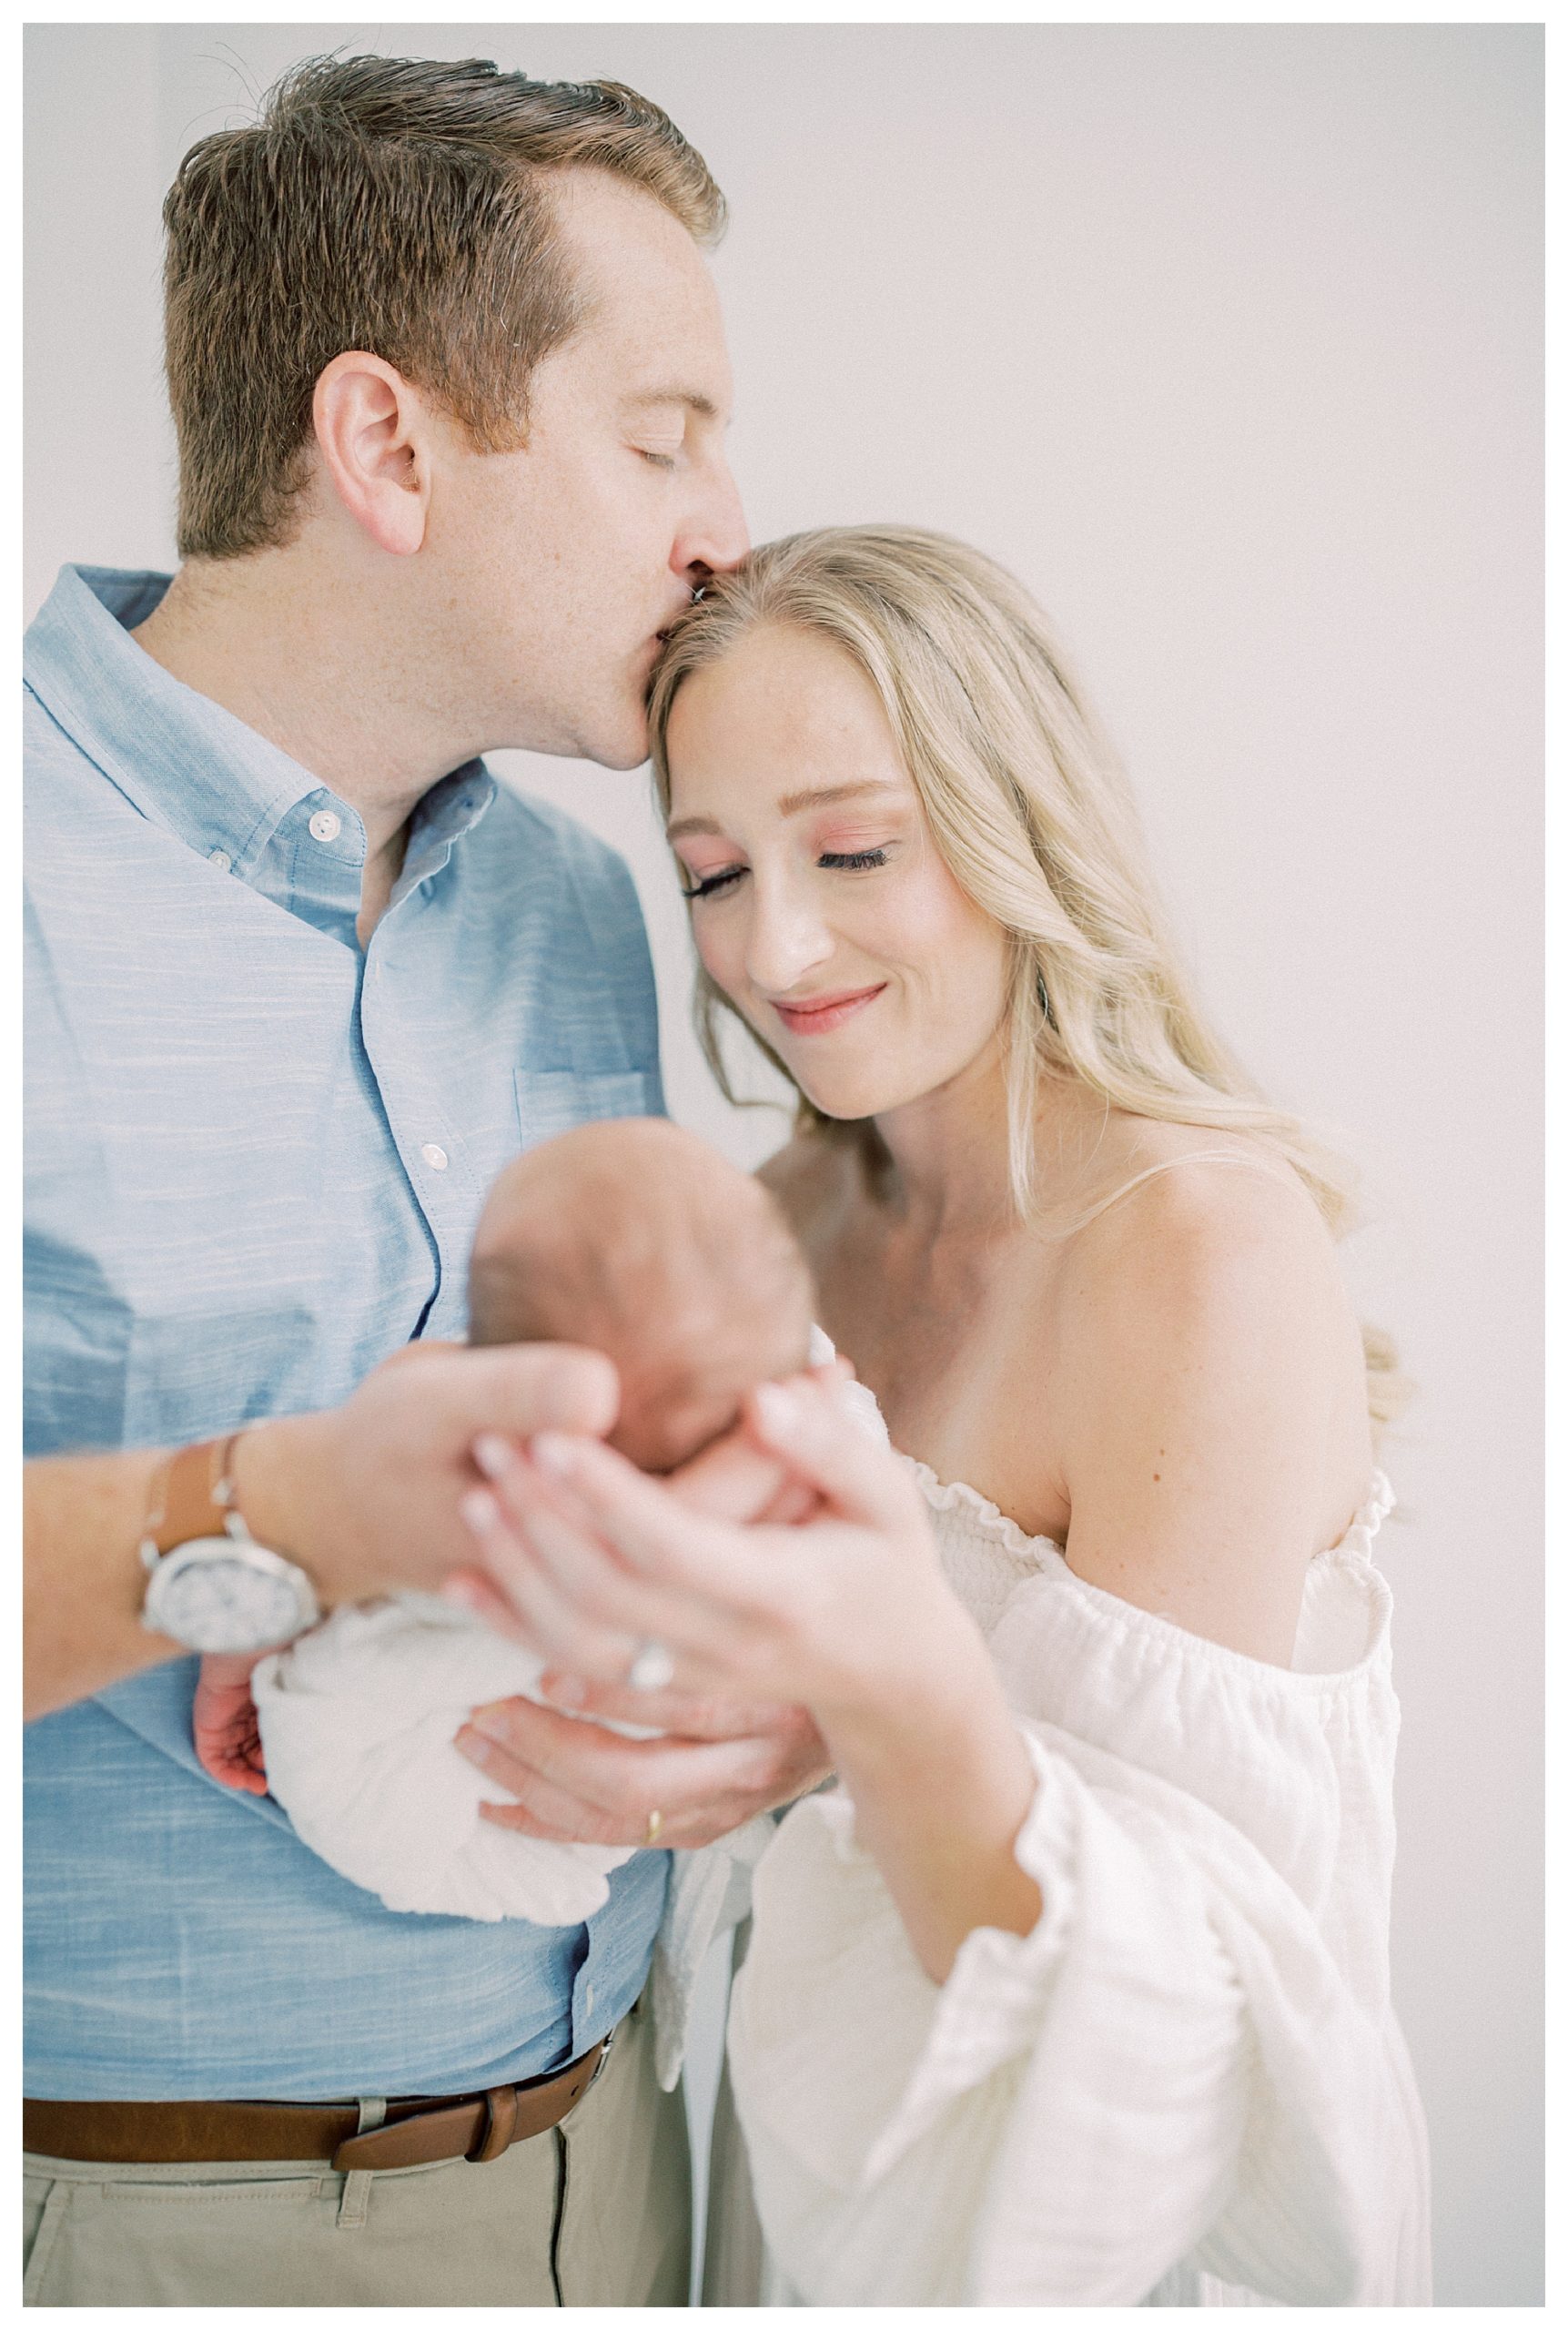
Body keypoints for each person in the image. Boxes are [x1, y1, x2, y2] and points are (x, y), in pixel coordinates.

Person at [22, 53, 827, 2310]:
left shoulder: (591, 906)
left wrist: (755, 1703)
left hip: (617, 2167)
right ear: (384, 444)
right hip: (126, 2227)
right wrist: (272, 1509)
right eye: (657, 432)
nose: (723, 525)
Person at [447, 525, 1434, 2305]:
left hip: (1100, 2223)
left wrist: (836, 1713)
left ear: (1015, 829)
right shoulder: (769, 1233)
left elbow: (1174, 2003)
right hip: (805, 2198)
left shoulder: (1196, 1245)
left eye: (851, 848)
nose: (779, 941)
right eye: (713, 872)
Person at [193, 1118, 820, 1931]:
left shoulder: (473, 1459)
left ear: (497, 1369)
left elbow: (326, 1514)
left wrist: (240, 1656)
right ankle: (543, 1886)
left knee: (336, 1735)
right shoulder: (803, 1460)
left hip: (435, 1723)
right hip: (622, 1769)